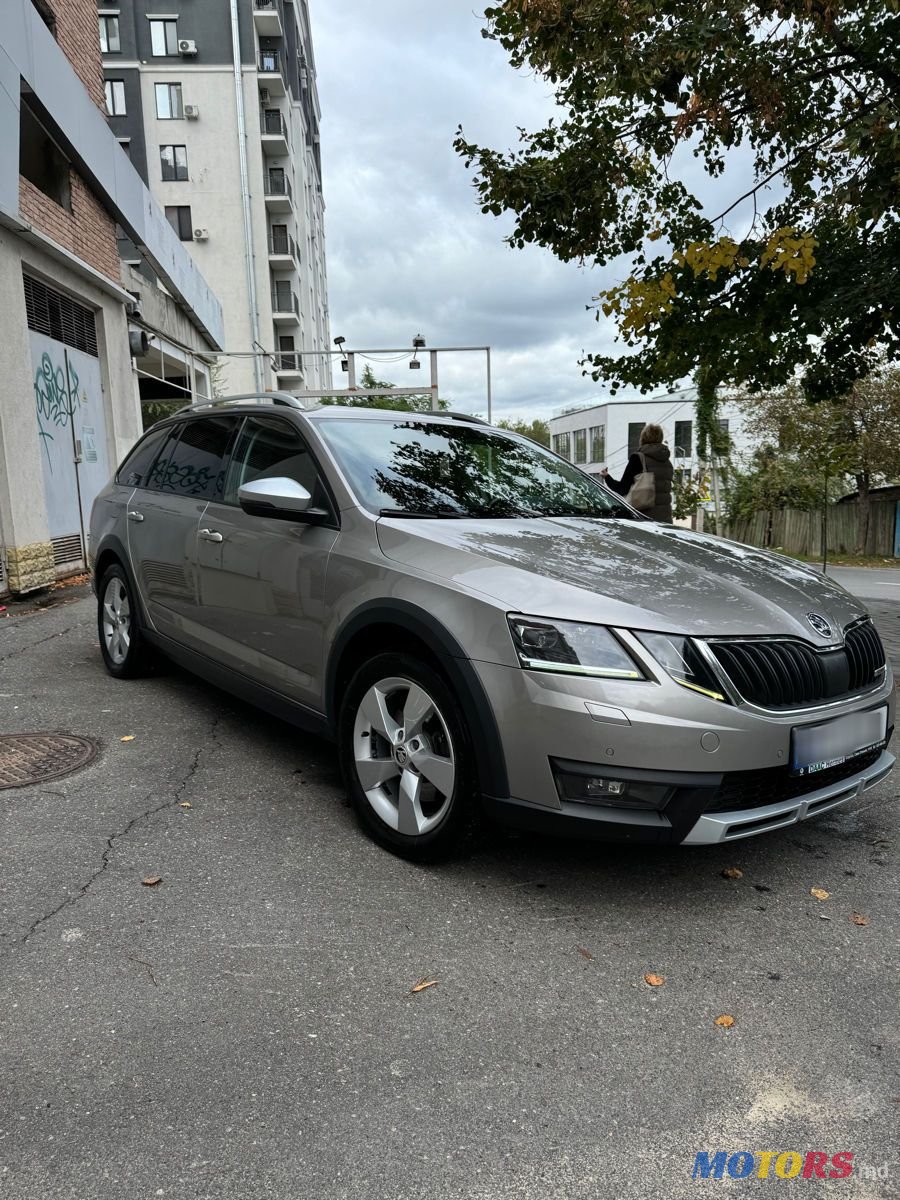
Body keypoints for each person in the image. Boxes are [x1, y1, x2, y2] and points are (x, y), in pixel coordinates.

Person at [600, 423, 674, 522]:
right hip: (665, 520)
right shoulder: (667, 462)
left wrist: (607, 477)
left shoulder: (638, 458)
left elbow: (622, 489)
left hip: (645, 520)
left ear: (643, 438)